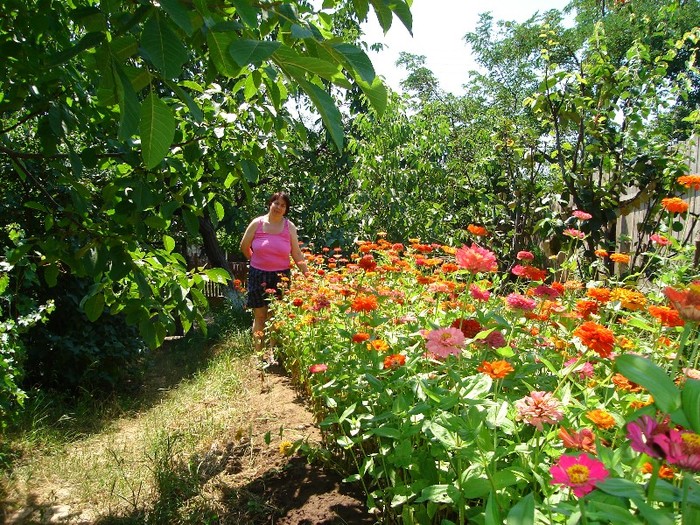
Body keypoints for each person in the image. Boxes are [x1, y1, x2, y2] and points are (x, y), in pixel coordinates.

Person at [239, 191, 308, 355]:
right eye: (276, 203)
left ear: (286, 209)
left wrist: (308, 274)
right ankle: (259, 354)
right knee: (260, 315)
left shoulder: (289, 227)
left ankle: (273, 354)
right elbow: (244, 245)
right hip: (258, 274)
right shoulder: (257, 223)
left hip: (280, 277)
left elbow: (296, 253)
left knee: (276, 317)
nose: (279, 207)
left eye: (283, 205)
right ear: (270, 204)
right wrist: (255, 259)